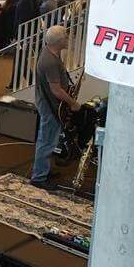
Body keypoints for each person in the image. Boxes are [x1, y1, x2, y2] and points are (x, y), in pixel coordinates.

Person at [32, 25, 79, 188]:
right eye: (66, 37)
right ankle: (39, 177)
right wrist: (73, 103)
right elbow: (56, 90)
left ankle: (43, 170)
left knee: (48, 139)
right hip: (50, 106)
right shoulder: (50, 61)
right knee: (46, 140)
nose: (68, 39)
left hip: (50, 104)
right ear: (59, 42)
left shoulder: (50, 52)